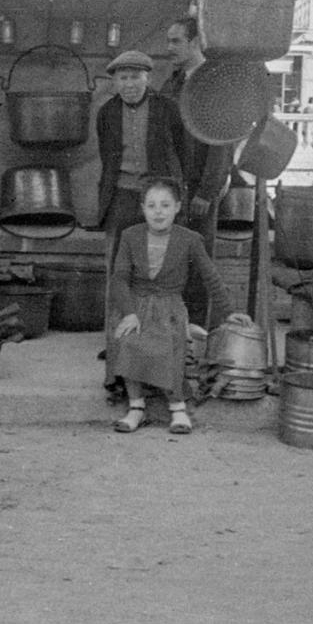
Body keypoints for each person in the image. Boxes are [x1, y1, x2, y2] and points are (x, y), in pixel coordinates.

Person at [109, 175, 250, 434]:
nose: (158, 212)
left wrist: (228, 312)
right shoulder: (130, 236)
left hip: (169, 307)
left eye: (165, 205)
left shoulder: (189, 239)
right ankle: (136, 408)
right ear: (142, 209)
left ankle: (178, 409)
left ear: (177, 207)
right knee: (127, 339)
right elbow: (119, 279)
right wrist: (129, 313)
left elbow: (211, 277)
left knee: (169, 343)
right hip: (136, 306)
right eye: (151, 206)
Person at [96, 49, 187, 397]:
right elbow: (107, 160)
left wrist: (173, 199)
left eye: (135, 77)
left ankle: (158, 369)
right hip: (120, 199)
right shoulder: (106, 113)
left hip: (157, 201)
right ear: (114, 81)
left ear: (148, 78)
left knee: (157, 281)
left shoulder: (167, 109)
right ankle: (117, 373)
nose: (129, 84)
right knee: (118, 282)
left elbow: (182, 153)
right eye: (122, 78)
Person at [160, 17, 232, 327]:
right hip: (172, 188)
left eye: (176, 41)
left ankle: (198, 332)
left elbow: (222, 142)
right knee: (170, 259)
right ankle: (171, 333)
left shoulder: (214, 85)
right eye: (168, 41)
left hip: (199, 188)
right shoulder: (173, 82)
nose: (169, 48)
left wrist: (207, 190)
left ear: (195, 42)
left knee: (198, 261)